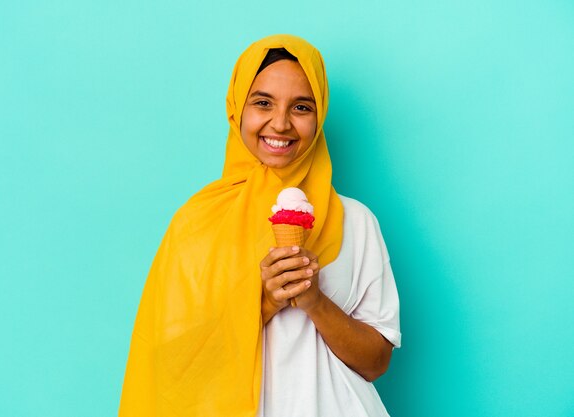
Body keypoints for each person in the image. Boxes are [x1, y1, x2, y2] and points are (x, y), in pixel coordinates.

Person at [119, 34, 401, 417]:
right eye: (263, 103)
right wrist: (266, 302)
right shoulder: (196, 222)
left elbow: (376, 362)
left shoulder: (356, 220)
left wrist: (315, 301)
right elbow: (174, 364)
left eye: (301, 106)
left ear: (319, 118)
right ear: (237, 110)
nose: (280, 123)